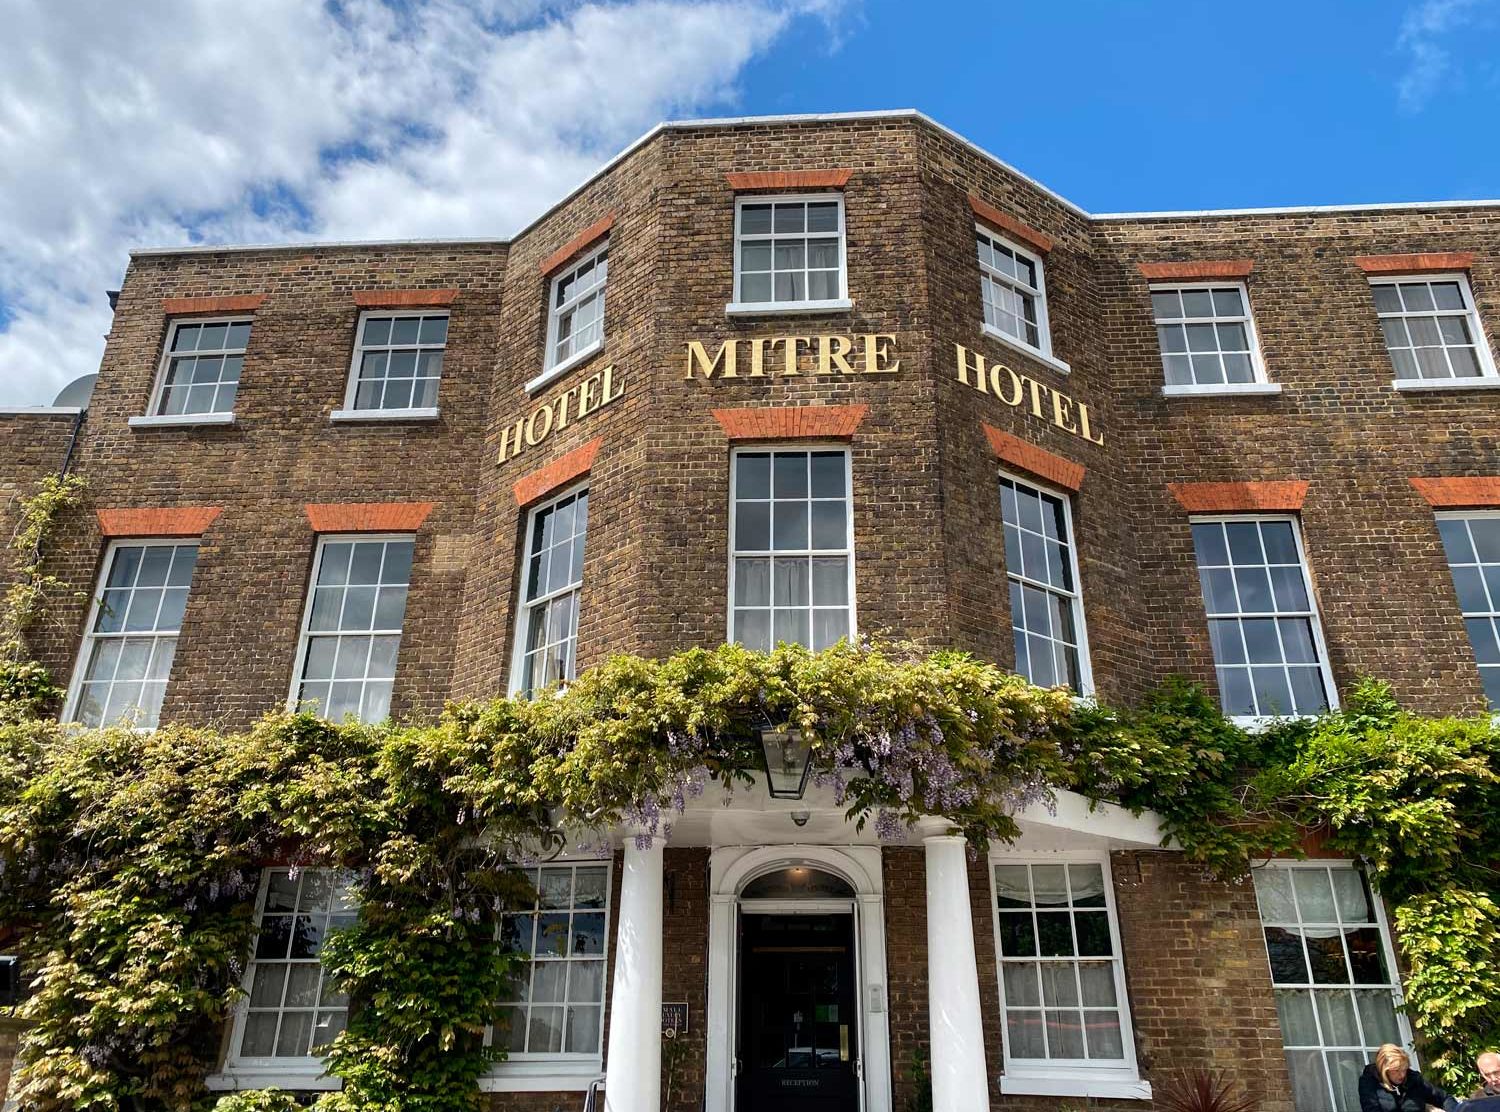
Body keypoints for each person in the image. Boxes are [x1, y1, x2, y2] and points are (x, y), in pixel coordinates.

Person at [1359, 1045, 1459, 1112]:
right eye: (1397, 1070)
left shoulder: (1413, 1079)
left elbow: (1444, 1098)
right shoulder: (1369, 1083)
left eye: (1404, 1069)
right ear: (1384, 1070)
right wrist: (1423, 1106)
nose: (1402, 1075)